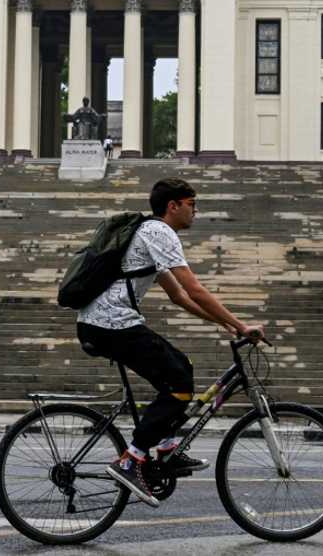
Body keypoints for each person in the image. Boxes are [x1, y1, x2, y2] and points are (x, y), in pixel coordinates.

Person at [77, 178, 265, 508]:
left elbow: (177, 296)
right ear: (173, 206)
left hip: (104, 323)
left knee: (181, 370)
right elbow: (194, 289)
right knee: (178, 380)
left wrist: (224, 323)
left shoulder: (149, 234)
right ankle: (131, 460)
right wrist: (240, 324)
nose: (196, 211)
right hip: (110, 323)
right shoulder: (159, 232)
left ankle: (166, 451)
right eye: (192, 204)